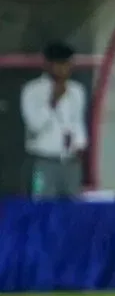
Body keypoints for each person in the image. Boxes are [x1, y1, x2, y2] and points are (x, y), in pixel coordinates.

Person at [20, 41, 87, 198]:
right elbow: (34, 125)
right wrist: (53, 101)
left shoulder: (77, 90)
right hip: (44, 160)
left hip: (71, 161)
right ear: (49, 65)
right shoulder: (32, 90)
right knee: (43, 207)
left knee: (72, 209)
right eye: (61, 64)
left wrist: (80, 144)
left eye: (68, 64)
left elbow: (78, 122)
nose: (65, 68)